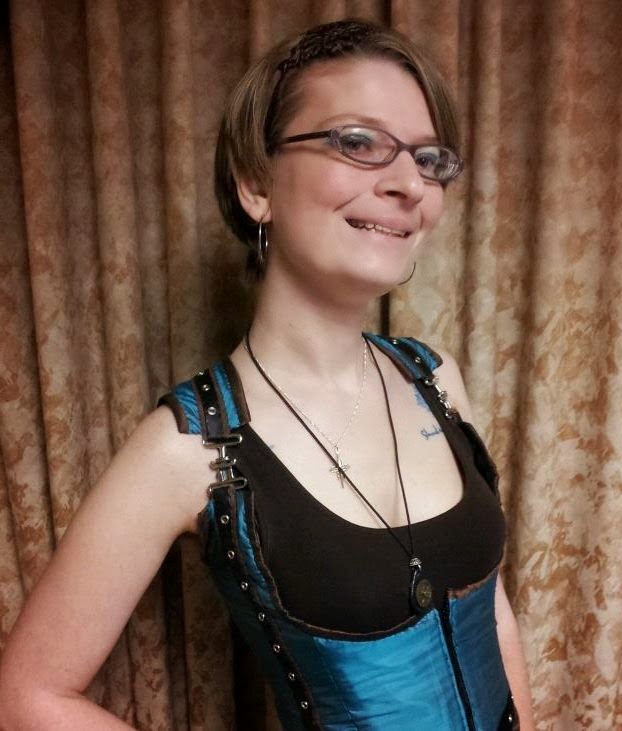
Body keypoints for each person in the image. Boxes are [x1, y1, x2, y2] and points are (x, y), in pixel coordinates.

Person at [0, 19, 534, 730]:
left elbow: (491, 607)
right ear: (256, 183)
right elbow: (26, 695)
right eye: (358, 142)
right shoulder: (190, 447)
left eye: (429, 158)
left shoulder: (435, 378)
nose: (410, 184)